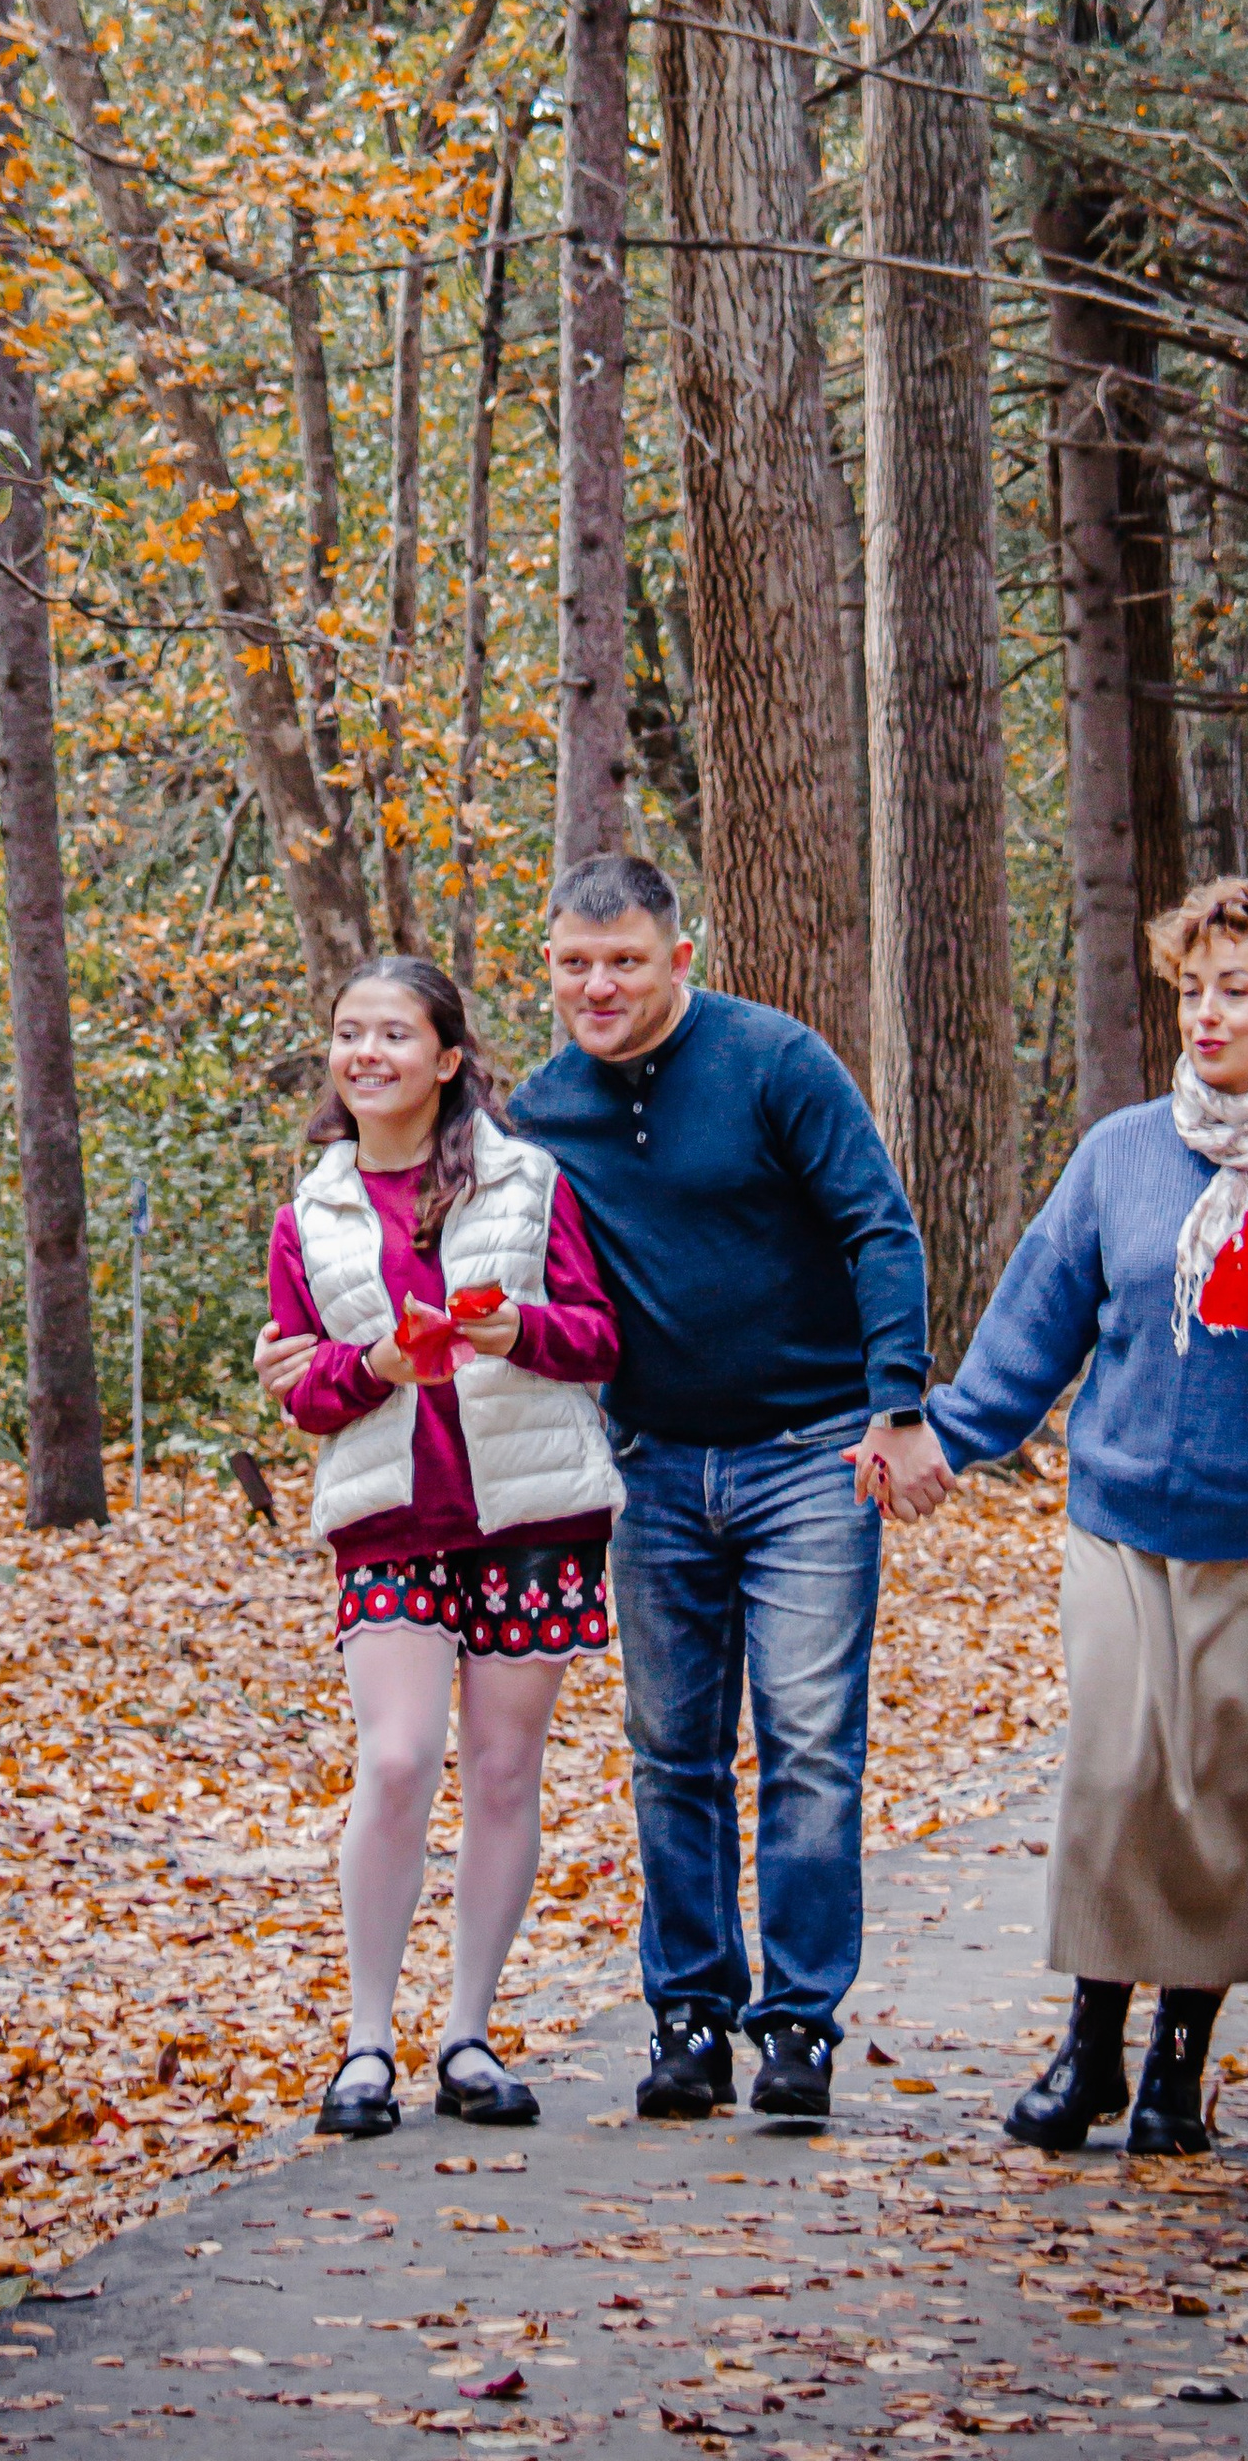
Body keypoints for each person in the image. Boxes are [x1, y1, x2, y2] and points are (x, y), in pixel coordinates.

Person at [927, 874, 1248, 2157]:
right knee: (1116, 1779)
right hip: (1122, 1519)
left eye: (1235, 992)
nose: (1205, 1017)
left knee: (1231, 1800)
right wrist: (944, 1441)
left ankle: (1177, 2065)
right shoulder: (1120, 1153)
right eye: (1189, 992)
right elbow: (1035, 1322)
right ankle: (1088, 2050)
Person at [504, 853, 949, 2124]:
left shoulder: (775, 1063)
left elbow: (877, 1225)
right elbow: (466, 1249)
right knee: (672, 1753)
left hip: (810, 1456)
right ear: (550, 964)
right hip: (650, 1467)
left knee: (809, 1744)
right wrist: (318, 1329)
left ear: (679, 960)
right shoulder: (542, 1114)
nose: (598, 985)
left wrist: (896, 1403)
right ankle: (689, 2015)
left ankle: (797, 2027)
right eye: (575, 963)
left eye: (625, 960)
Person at [260, 954, 623, 2141]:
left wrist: (515, 1328)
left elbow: (595, 1338)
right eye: (349, 1033)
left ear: (448, 1058)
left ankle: (467, 2033)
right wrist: (366, 1365)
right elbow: (301, 1387)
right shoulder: (310, 1213)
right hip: (390, 1523)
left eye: (395, 1035)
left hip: (529, 1520)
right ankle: (367, 2043)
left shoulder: (526, 1181)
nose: (368, 1054)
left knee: (506, 1775)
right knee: (402, 1759)